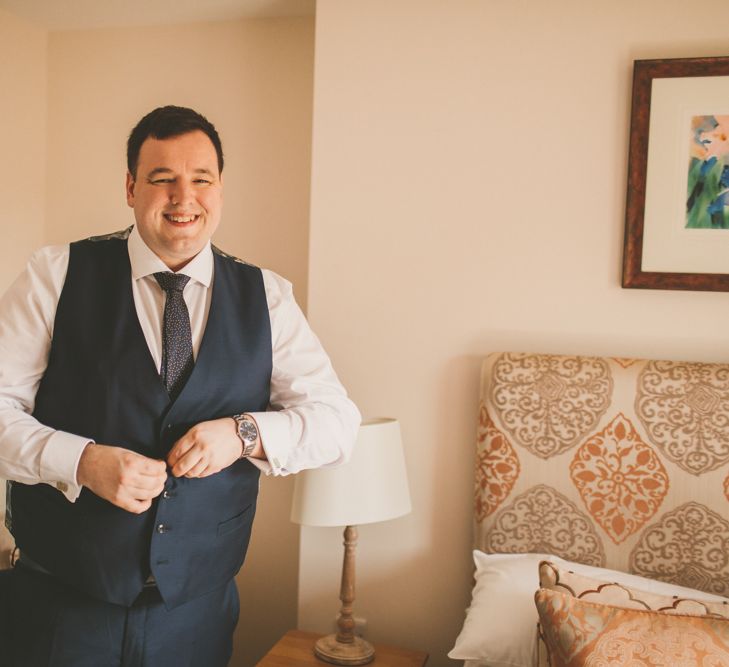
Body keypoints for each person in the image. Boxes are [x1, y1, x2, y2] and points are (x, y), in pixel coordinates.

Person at [0, 105, 360, 667]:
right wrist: (81, 462)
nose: (182, 197)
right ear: (130, 187)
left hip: (195, 617)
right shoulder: (55, 274)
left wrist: (244, 434)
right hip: (58, 606)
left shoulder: (267, 297)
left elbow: (339, 424)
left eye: (201, 179)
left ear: (221, 189)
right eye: (162, 179)